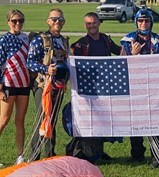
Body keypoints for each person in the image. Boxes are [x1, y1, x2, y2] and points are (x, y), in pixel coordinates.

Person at [70, 12, 123, 162]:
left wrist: (132, 50)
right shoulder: (81, 44)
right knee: (90, 120)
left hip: (105, 88)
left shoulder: (106, 39)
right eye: (88, 23)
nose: (92, 26)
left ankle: (98, 151)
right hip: (88, 90)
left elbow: (119, 51)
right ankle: (87, 151)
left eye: (94, 23)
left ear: (99, 23)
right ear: (84, 25)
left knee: (103, 120)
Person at [120, 8, 159, 168]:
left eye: (147, 20)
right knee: (135, 122)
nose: (144, 23)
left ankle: (157, 156)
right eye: (140, 20)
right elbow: (121, 64)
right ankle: (137, 154)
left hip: (153, 88)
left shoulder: (157, 41)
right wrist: (131, 55)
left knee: (155, 122)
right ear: (136, 22)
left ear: (151, 22)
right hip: (134, 87)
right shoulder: (127, 41)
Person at [27, 8, 70, 161]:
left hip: (59, 87)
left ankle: (49, 155)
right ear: (48, 21)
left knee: (52, 120)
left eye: (60, 20)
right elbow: (30, 61)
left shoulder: (64, 41)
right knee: (43, 119)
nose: (57, 22)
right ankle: (34, 157)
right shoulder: (41, 39)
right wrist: (46, 69)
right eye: (54, 19)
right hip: (43, 85)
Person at [0, 9, 30, 165]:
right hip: (8, 84)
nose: (18, 24)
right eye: (14, 21)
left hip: (24, 84)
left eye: (20, 20)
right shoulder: (4, 39)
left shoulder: (27, 38)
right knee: (3, 120)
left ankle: (20, 156)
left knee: (20, 120)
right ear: (8, 22)